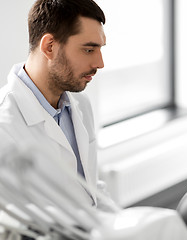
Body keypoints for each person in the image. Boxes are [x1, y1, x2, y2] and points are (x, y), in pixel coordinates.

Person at [0, 0, 111, 210]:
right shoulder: (5, 126)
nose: (100, 63)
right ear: (49, 47)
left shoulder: (81, 104)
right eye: (89, 50)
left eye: (100, 49)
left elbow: (89, 189)